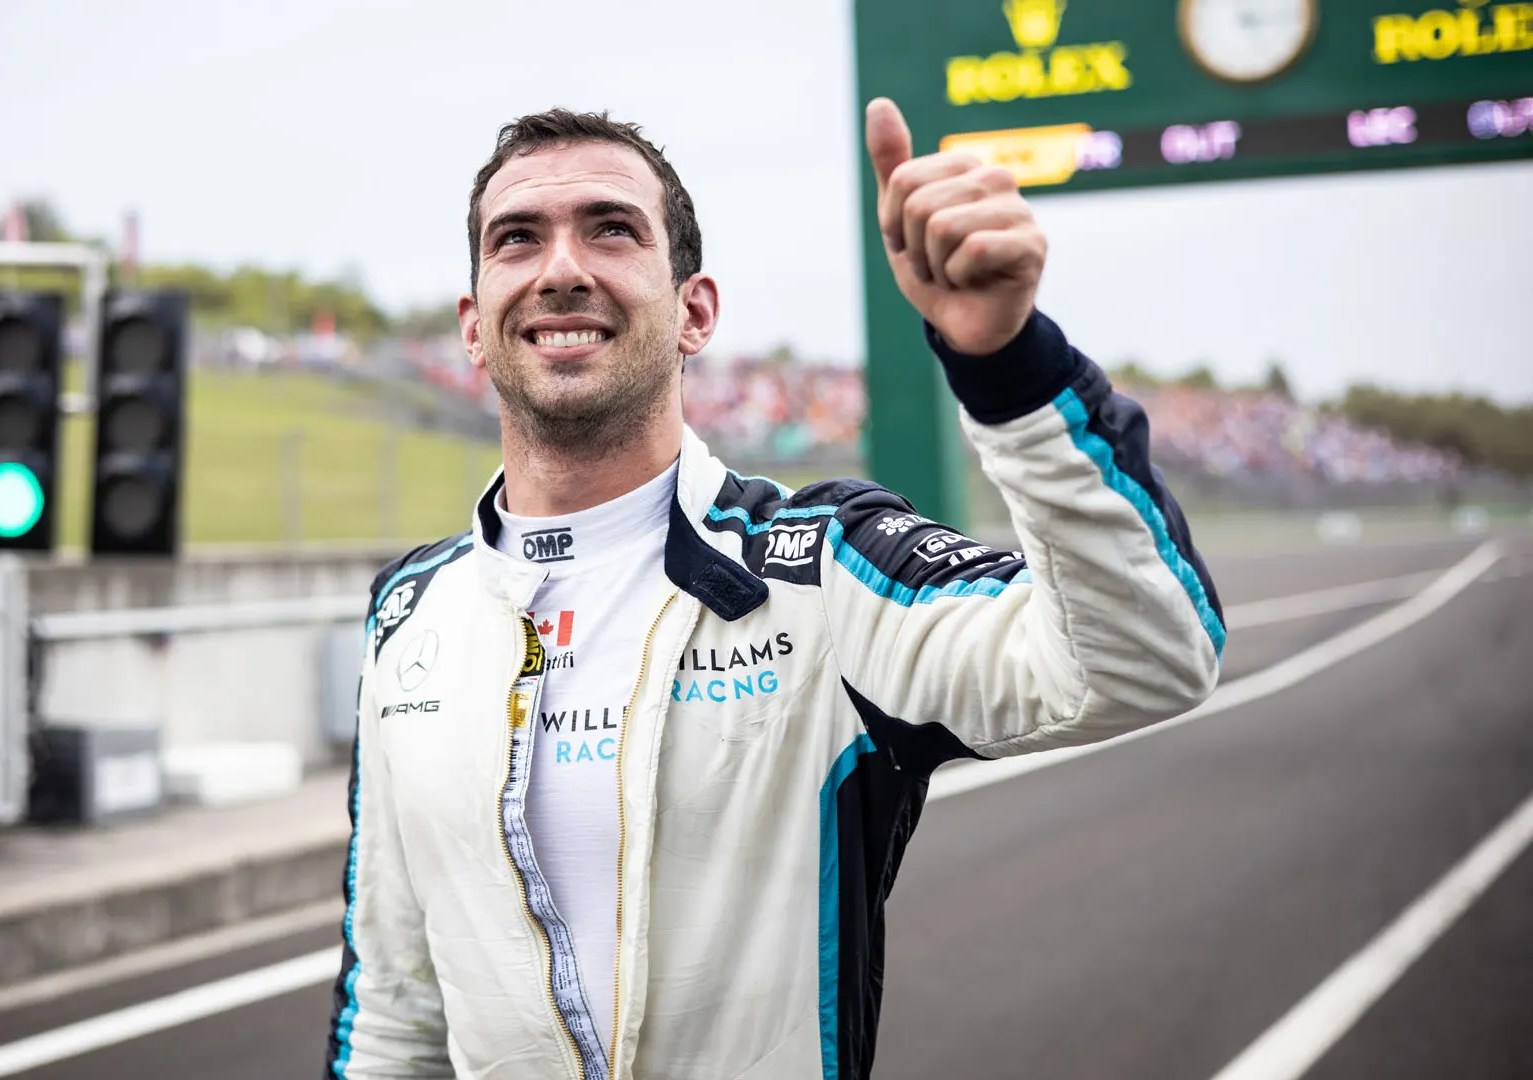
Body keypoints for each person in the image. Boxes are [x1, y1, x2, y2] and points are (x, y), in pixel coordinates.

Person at [326, 99, 1224, 1080]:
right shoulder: (410, 615)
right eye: (517, 240)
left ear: (694, 311)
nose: (563, 269)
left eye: (613, 229)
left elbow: (1147, 661)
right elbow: (394, 1012)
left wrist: (1006, 366)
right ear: (473, 325)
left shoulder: (827, 568)